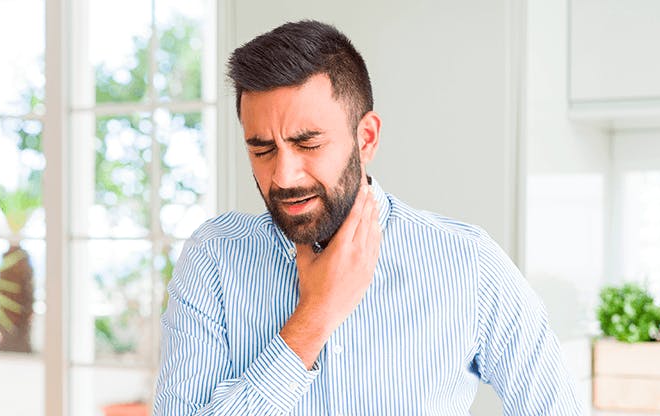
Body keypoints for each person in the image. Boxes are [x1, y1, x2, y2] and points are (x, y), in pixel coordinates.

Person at [153, 20, 583, 415]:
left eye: (308, 144)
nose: (283, 176)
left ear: (366, 138)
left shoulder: (468, 265)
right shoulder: (214, 259)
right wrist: (314, 317)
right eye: (262, 149)